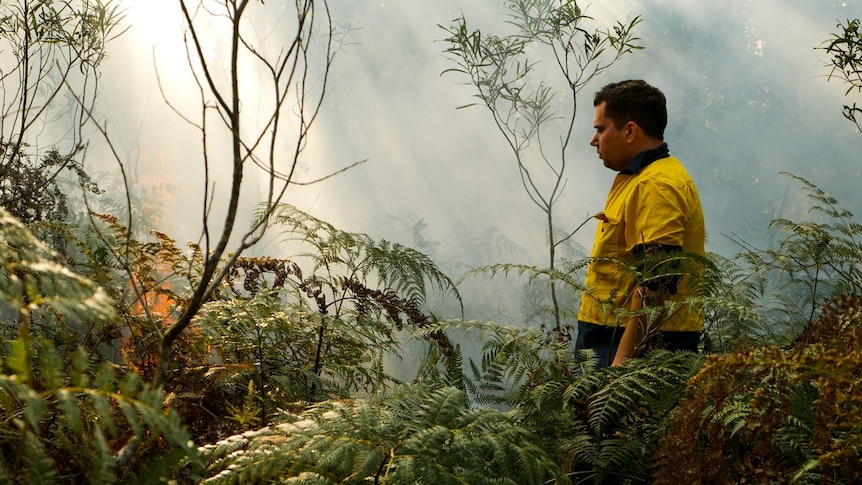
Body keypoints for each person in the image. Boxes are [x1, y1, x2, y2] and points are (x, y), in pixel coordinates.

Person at [575, 80, 706, 367]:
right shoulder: (640, 177)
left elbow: (656, 286)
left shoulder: (658, 184)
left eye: (600, 128)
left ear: (630, 130)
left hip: (629, 348)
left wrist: (620, 366)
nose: (593, 140)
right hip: (611, 338)